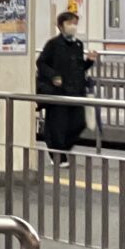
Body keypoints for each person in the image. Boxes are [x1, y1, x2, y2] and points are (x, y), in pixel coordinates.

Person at [36, 9, 95, 162]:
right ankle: (58, 156)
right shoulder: (53, 44)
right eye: (69, 23)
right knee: (57, 126)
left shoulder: (78, 44)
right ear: (61, 26)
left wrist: (89, 61)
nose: (73, 26)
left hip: (76, 92)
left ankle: (61, 149)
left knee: (79, 123)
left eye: (75, 23)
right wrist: (53, 76)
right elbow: (41, 63)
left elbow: (79, 67)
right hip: (58, 92)